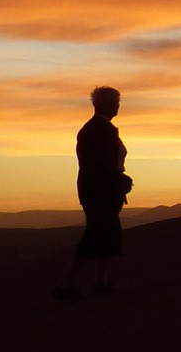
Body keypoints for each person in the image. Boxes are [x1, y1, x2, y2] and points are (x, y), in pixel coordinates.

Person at [55, 87, 132, 299]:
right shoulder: (100, 129)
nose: (118, 106)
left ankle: (101, 282)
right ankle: (65, 285)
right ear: (105, 104)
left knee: (106, 233)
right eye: (115, 102)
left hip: (99, 189)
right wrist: (119, 180)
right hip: (101, 191)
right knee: (95, 235)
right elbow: (101, 164)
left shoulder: (97, 128)